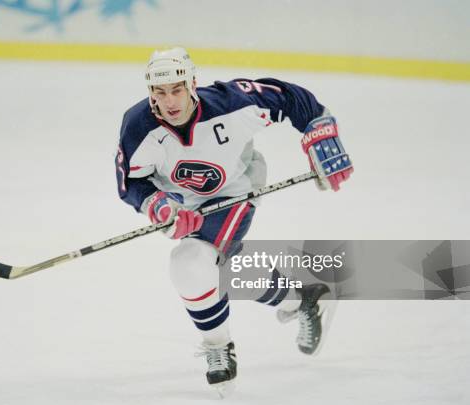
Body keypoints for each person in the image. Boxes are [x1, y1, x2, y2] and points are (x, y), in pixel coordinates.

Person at [114, 47, 353, 395]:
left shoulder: (232, 103)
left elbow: (291, 99)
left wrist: (320, 133)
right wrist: (158, 204)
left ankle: (218, 347)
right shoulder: (138, 125)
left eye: (177, 89)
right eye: (160, 92)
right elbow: (130, 180)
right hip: (184, 205)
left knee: (190, 262)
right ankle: (303, 299)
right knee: (218, 268)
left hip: (235, 191)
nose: (169, 101)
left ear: (193, 84)